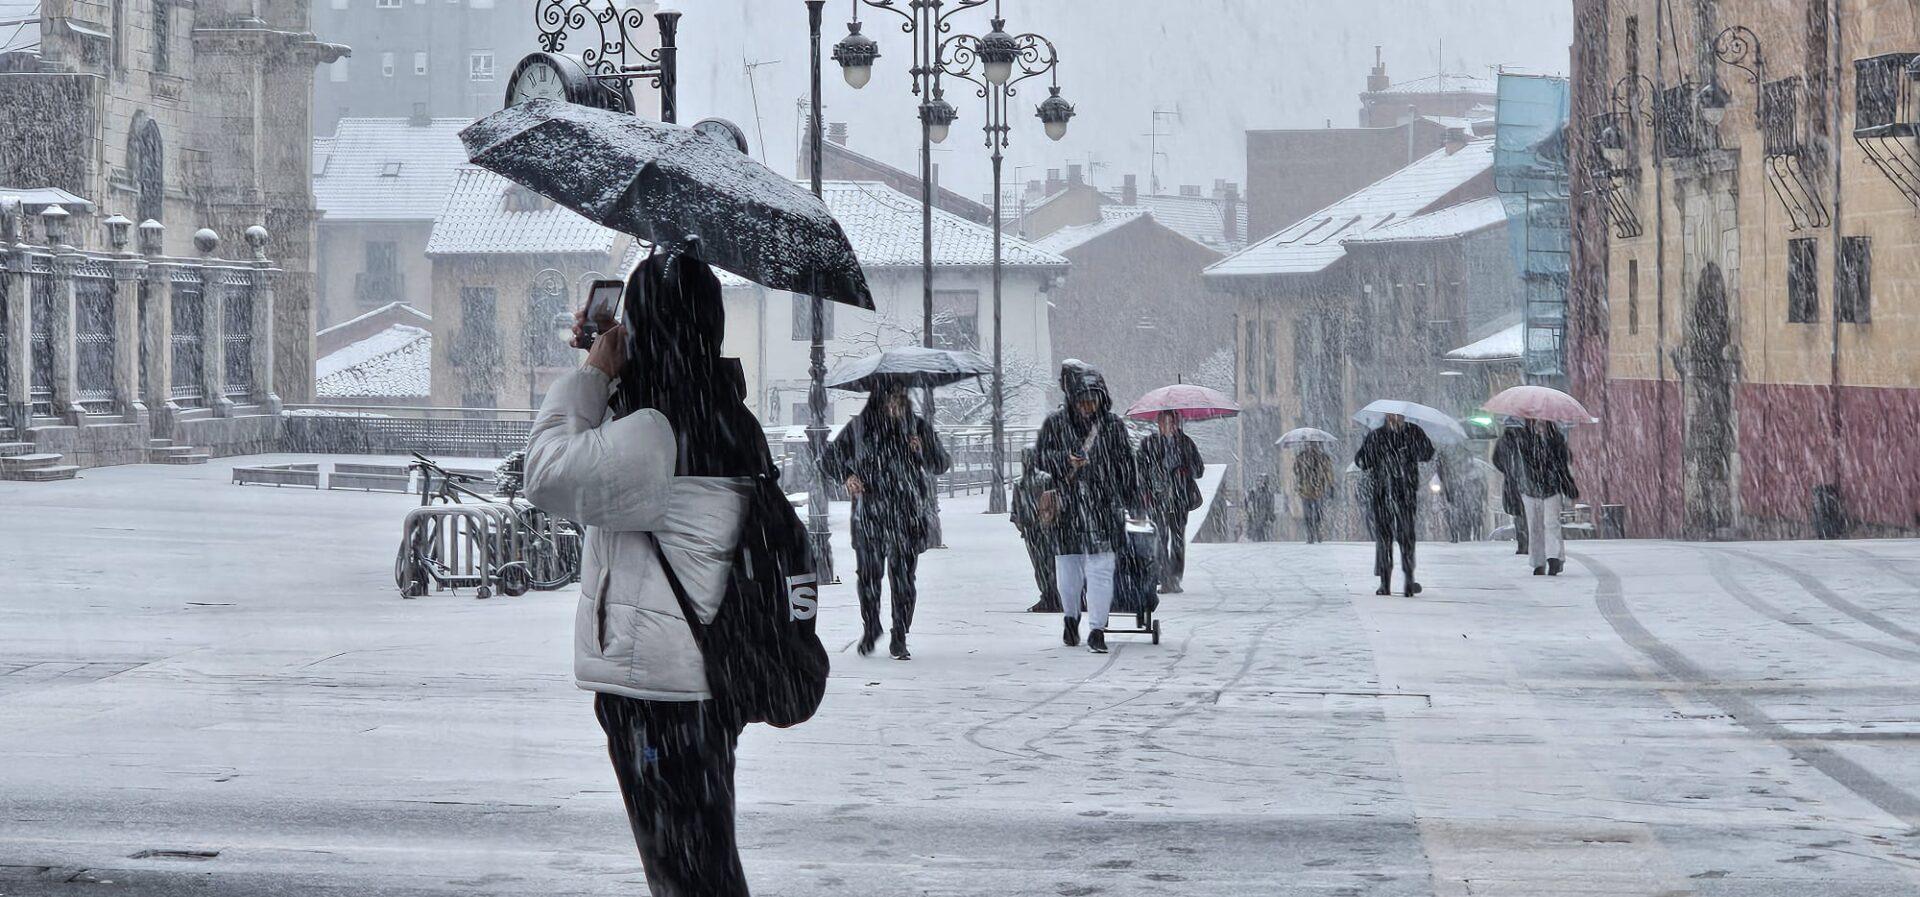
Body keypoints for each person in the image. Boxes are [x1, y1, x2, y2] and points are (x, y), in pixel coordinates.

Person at [524, 249, 766, 897]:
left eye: (632, 317)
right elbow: (607, 467)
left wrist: (592, 375)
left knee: (687, 876)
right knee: (702, 866)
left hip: (659, 692)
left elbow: (545, 474)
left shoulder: (658, 427)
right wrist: (615, 373)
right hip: (695, 677)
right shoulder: (713, 406)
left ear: (649, 326)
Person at [822, 382, 950, 660]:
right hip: (869, 512)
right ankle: (871, 626)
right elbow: (828, 459)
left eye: (900, 399)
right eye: (890, 399)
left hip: (906, 513)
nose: (895, 405)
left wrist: (923, 449)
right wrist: (847, 475)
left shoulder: (917, 427)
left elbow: (941, 464)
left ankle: (899, 634)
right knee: (868, 576)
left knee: (904, 577)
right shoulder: (860, 428)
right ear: (879, 401)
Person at [1035, 360, 1142, 654]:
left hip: (1103, 507)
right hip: (1068, 507)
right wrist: (1064, 461)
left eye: (1093, 400)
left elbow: (1126, 467)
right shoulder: (1056, 424)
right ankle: (1071, 618)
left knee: (1101, 569)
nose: (1088, 406)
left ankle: (1097, 628)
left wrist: (1132, 501)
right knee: (1068, 568)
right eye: (1083, 400)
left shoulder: (1113, 426)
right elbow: (1039, 458)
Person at [1354, 412, 1435, 597]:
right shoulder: (1376, 435)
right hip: (1382, 494)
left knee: (1406, 537)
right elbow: (1361, 461)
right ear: (1387, 417)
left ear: (1404, 417)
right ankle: (1385, 582)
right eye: (1391, 416)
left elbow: (1428, 454)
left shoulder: (1413, 432)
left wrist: (1411, 450)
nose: (1395, 419)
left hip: (1405, 494)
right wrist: (1375, 456)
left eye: (1398, 416)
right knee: (1384, 539)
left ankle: (1409, 579)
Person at [1137, 411, 1203, 593]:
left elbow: (1199, 470)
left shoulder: (1186, 443)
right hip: (1157, 498)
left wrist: (1185, 469)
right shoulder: (1149, 443)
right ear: (1158, 424)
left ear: (1176, 423)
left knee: (1178, 539)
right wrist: (1148, 485)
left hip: (1179, 498)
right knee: (1160, 538)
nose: (1167, 426)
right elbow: (1140, 470)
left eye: (1171, 422)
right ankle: (1165, 578)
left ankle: (1174, 577)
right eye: (1164, 422)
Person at [1514, 418, 1579, 576]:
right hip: (1530, 489)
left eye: (1543, 422)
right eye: (1536, 421)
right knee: (1535, 526)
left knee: (1551, 523)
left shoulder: (1556, 440)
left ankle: (1553, 558)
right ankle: (1538, 562)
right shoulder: (1524, 439)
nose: (1539, 424)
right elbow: (1519, 465)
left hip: (1551, 488)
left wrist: (1565, 483)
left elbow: (1563, 463)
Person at [1011, 447, 1062, 613]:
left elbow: (1054, 504)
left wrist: (1048, 523)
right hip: (1030, 529)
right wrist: (1021, 524)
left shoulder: (1046, 479)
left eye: (1029, 457)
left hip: (1046, 529)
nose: (1027, 461)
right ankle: (1047, 596)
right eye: (1025, 458)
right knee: (1039, 566)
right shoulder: (1019, 483)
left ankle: (1052, 597)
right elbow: (1015, 508)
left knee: (1048, 564)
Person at [1493, 420, 1530, 555]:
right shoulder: (1528, 440)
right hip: (1528, 482)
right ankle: (1529, 540)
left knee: (1518, 514)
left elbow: (1496, 460)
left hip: (1512, 483)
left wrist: (1507, 471)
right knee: (1529, 513)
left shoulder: (1502, 442)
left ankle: (1523, 542)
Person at [1292, 444, 1335, 544]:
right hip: (1308, 490)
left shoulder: (1321, 458)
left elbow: (1328, 472)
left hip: (1316, 490)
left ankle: (1315, 531)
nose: (1312, 447)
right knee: (1310, 514)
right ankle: (1312, 533)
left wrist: (1330, 485)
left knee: (1317, 514)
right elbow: (1296, 472)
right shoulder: (1302, 457)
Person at [1245, 475, 1276, 542]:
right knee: (1257, 534)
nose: (1262, 484)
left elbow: (1270, 506)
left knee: (1262, 534)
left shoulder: (1268, 493)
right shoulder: (1253, 492)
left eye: (1263, 481)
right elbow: (1249, 504)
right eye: (1260, 481)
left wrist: (1269, 516)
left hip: (1263, 519)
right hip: (1257, 518)